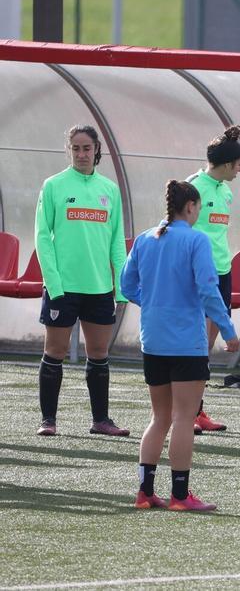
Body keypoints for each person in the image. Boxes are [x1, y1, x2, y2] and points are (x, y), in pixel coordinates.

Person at [121, 180, 240, 511]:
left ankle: (145, 492)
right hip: (186, 343)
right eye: (198, 208)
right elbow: (208, 290)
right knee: (184, 418)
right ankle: (180, 495)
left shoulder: (146, 238)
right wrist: (228, 330)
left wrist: (154, 301)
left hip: (153, 341)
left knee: (159, 418)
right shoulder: (196, 240)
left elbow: (127, 285)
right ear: (190, 207)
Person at [34, 124, 129, 438]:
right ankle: (48, 420)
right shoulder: (53, 185)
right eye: (76, 148)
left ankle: (101, 421)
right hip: (63, 287)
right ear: (69, 150)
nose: (81, 154)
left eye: (87, 148)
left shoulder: (109, 190)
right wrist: (54, 283)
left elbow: (117, 242)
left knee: (99, 352)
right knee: (55, 350)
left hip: (99, 287)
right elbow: (42, 237)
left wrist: (122, 286)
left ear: (96, 149)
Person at [187, 124, 240, 434]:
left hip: (222, 273)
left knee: (205, 347)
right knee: (193, 345)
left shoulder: (226, 191)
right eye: (238, 165)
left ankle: (197, 411)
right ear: (226, 164)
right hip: (196, 276)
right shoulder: (193, 187)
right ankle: (184, 412)